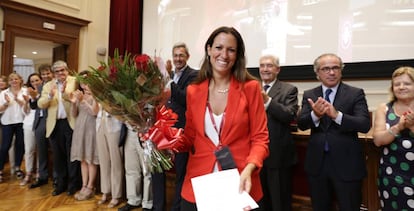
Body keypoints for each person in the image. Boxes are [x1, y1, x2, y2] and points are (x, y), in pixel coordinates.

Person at [172, 26, 269, 210]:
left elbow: (260, 138)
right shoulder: (194, 91)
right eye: (218, 48)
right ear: (209, 49)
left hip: (239, 183)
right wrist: (164, 139)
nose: (224, 55)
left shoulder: (251, 88)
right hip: (199, 183)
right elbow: (190, 137)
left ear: (237, 55)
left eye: (231, 50)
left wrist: (249, 168)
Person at [297, 53, 371, 211]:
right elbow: (302, 124)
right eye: (326, 69)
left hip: (347, 165)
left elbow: (364, 124)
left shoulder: (355, 93)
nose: (331, 72)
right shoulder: (310, 95)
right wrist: (315, 115)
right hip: (317, 165)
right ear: (318, 73)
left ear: (341, 71)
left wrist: (337, 116)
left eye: (335, 68)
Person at [153, 42, 198, 211]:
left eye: (181, 55)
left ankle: (176, 209)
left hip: (181, 132)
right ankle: (158, 207)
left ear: (187, 57)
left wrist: (168, 77)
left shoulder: (195, 75)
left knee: (180, 172)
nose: (178, 58)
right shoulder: (167, 76)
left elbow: (184, 98)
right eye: (176, 55)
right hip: (161, 131)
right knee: (157, 170)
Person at [258, 55, 298, 211]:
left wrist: (267, 101)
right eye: (262, 66)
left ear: (277, 69)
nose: (265, 69)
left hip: (278, 157)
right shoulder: (251, 87)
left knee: (279, 203)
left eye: (269, 66)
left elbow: (289, 115)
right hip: (254, 158)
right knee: (258, 202)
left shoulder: (289, 90)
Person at [372, 66, 414, 210]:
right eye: (397, 84)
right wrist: (399, 127)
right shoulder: (384, 108)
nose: (401, 87)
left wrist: (412, 127)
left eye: (407, 83)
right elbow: (378, 140)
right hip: (391, 175)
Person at [38, 60, 81, 196]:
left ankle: (73, 185)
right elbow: (41, 104)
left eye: (62, 70)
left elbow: (78, 99)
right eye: (57, 71)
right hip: (54, 125)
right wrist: (50, 95)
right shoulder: (48, 85)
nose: (60, 73)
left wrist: (64, 94)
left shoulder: (74, 81)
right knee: (58, 157)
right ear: (54, 74)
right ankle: (60, 184)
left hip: (71, 123)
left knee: (72, 155)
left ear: (67, 70)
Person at [69, 70, 99, 200]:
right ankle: (84, 184)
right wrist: (73, 103)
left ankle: (91, 186)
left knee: (90, 159)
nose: (84, 85)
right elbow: (74, 114)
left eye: (87, 82)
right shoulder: (80, 95)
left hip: (91, 130)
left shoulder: (97, 95)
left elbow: (94, 112)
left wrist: (83, 101)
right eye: (82, 82)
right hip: (80, 129)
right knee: (82, 159)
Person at [29, 64, 54, 188]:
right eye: (43, 74)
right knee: (42, 152)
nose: (45, 76)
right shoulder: (39, 87)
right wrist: (33, 98)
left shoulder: (56, 85)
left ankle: (57, 178)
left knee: (55, 151)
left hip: (52, 121)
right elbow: (34, 106)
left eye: (47, 73)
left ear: (52, 73)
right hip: (39, 121)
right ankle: (42, 176)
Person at [118, 124, 153, 211]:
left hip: (144, 133)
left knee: (147, 171)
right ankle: (133, 200)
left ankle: (147, 203)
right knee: (131, 168)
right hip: (129, 131)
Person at [0, 73, 27, 182]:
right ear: (9, 82)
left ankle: (17, 168)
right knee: (5, 146)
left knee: (20, 145)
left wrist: (19, 101)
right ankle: (0, 169)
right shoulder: (3, 93)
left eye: (16, 79)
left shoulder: (25, 91)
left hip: (22, 121)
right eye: (11, 79)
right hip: (7, 122)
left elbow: (29, 108)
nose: (14, 81)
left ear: (20, 80)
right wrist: (6, 103)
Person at [96, 108, 124, 208]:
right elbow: (95, 110)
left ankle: (116, 195)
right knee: (104, 161)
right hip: (100, 122)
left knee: (115, 161)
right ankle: (105, 191)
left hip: (114, 124)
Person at [20, 73, 43, 186]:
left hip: (41, 123)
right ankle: (28, 173)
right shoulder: (26, 92)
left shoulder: (44, 91)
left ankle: (39, 172)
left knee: (40, 150)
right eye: (32, 81)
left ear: (41, 81)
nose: (35, 83)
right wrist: (26, 101)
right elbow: (25, 112)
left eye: (37, 80)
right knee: (29, 149)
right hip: (29, 123)